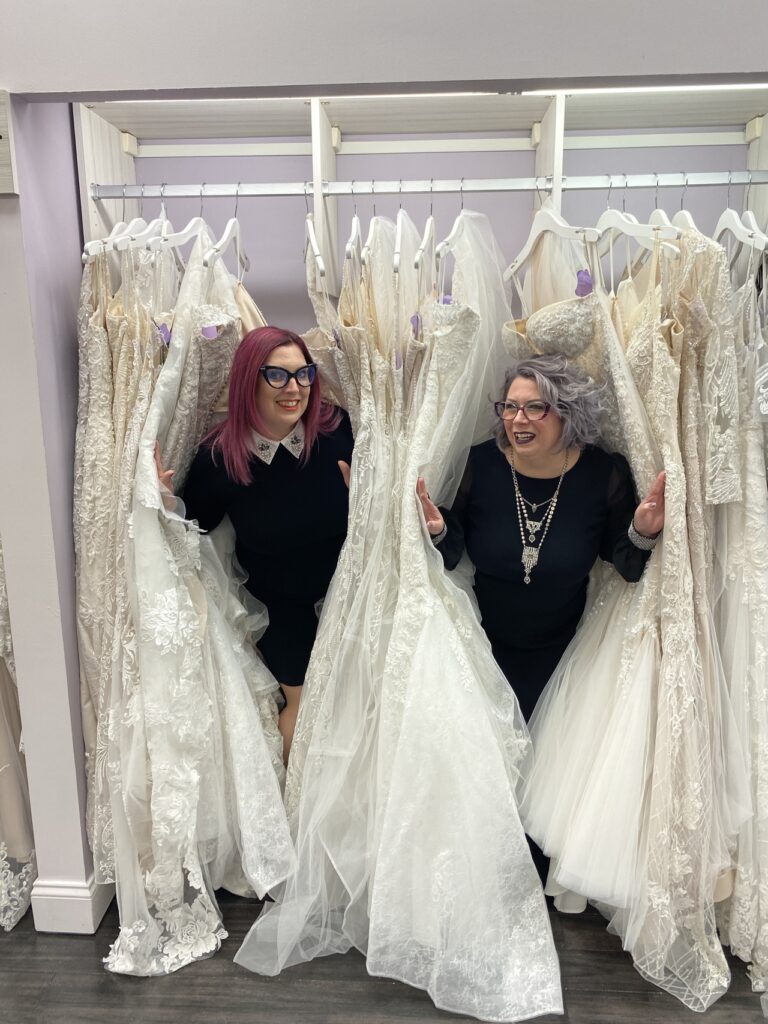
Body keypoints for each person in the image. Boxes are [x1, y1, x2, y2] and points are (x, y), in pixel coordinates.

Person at [417, 352, 665, 722]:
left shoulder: (602, 474)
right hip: (482, 654)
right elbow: (455, 550)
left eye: (535, 407)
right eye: (510, 407)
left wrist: (643, 531)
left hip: (568, 660)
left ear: (568, 412)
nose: (518, 419)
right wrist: (437, 530)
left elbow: (625, 563)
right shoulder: (480, 465)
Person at [156, 326, 352, 761]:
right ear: (250, 379)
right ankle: (296, 815)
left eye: (304, 375)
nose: (295, 388)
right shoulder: (219, 457)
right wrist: (165, 501)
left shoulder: (338, 432)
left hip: (349, 595)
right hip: (280, 608)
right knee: (302, 705)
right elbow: (194, 530)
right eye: (278, 376)